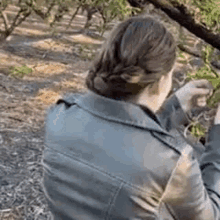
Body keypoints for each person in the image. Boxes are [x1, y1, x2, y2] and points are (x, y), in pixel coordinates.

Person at [42, 15, 220, 220]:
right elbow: (209, 216)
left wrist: (175, 106)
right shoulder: (173, 161)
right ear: (162, 80)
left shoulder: (60, 115)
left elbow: (123, 142)